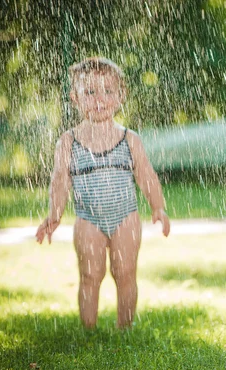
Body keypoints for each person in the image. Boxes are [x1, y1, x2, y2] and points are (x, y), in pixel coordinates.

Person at [36, 57, 170, 329]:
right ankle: (88, 330)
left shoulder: (128, 139)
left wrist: (158, 207)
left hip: (126, 217)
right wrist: (54, 214)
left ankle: (126, 328)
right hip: (88, 219)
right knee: (89, 275)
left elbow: (145, 174)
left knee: (125, 273)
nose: (100, 98)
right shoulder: (69, 141)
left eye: (108, 91)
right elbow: (60, 180)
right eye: (90, 92)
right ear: (75, 97)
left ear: (121, 96)